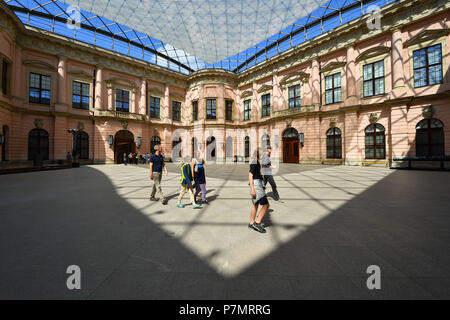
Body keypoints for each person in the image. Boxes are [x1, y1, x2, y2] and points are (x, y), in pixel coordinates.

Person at [248, 148, 269, 233]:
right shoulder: (254, 162)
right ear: (259, 154)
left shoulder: (256, 161)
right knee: (266, 205)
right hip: (256, 186)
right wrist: (253, 189)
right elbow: (250, 175)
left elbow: (258, 175)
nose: (263, 155)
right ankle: (257, 222)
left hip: (258, 184)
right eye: (262, 154)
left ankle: (251, 222)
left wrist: (263, 185)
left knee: (255, 204)